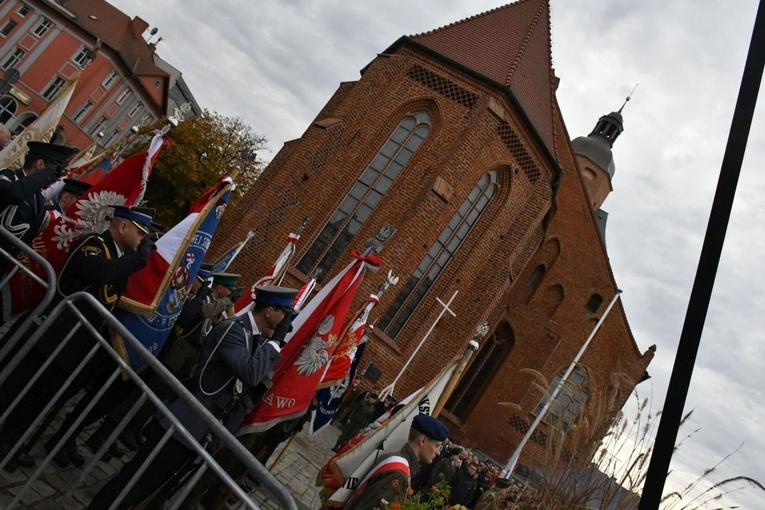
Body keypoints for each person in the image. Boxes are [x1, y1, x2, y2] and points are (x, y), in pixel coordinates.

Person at [87, 285, 298, 509]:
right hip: (186, 421)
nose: (285, 323)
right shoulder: (235, 329)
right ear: (269, 311)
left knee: (161, 491)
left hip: (203, 428)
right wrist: (276, 341)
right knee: (137, 481)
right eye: (283, 315)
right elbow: (250, 373)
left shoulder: (254, 337)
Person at [0, 205, 155, 471]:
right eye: (141, 233)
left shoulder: (120, 258)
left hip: (73, 345)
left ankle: (8, 445)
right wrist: (137, 260)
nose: (143, 241)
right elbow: (99, 273)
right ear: (123, 226)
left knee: (38, 398)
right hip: (51, 332)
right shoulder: (93, 243)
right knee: (15, 385)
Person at [0, 141, 77, 273]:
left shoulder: (38, 199)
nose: (57, 179)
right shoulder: (8, 177)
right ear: (40, 164)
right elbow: (14, 193)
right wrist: (46, 175)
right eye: (56, 173)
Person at [344, 414, 449, 510]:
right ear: (422, 440)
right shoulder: (398, 474)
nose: (438, 452)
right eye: (437, 446)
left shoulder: (396, 459)